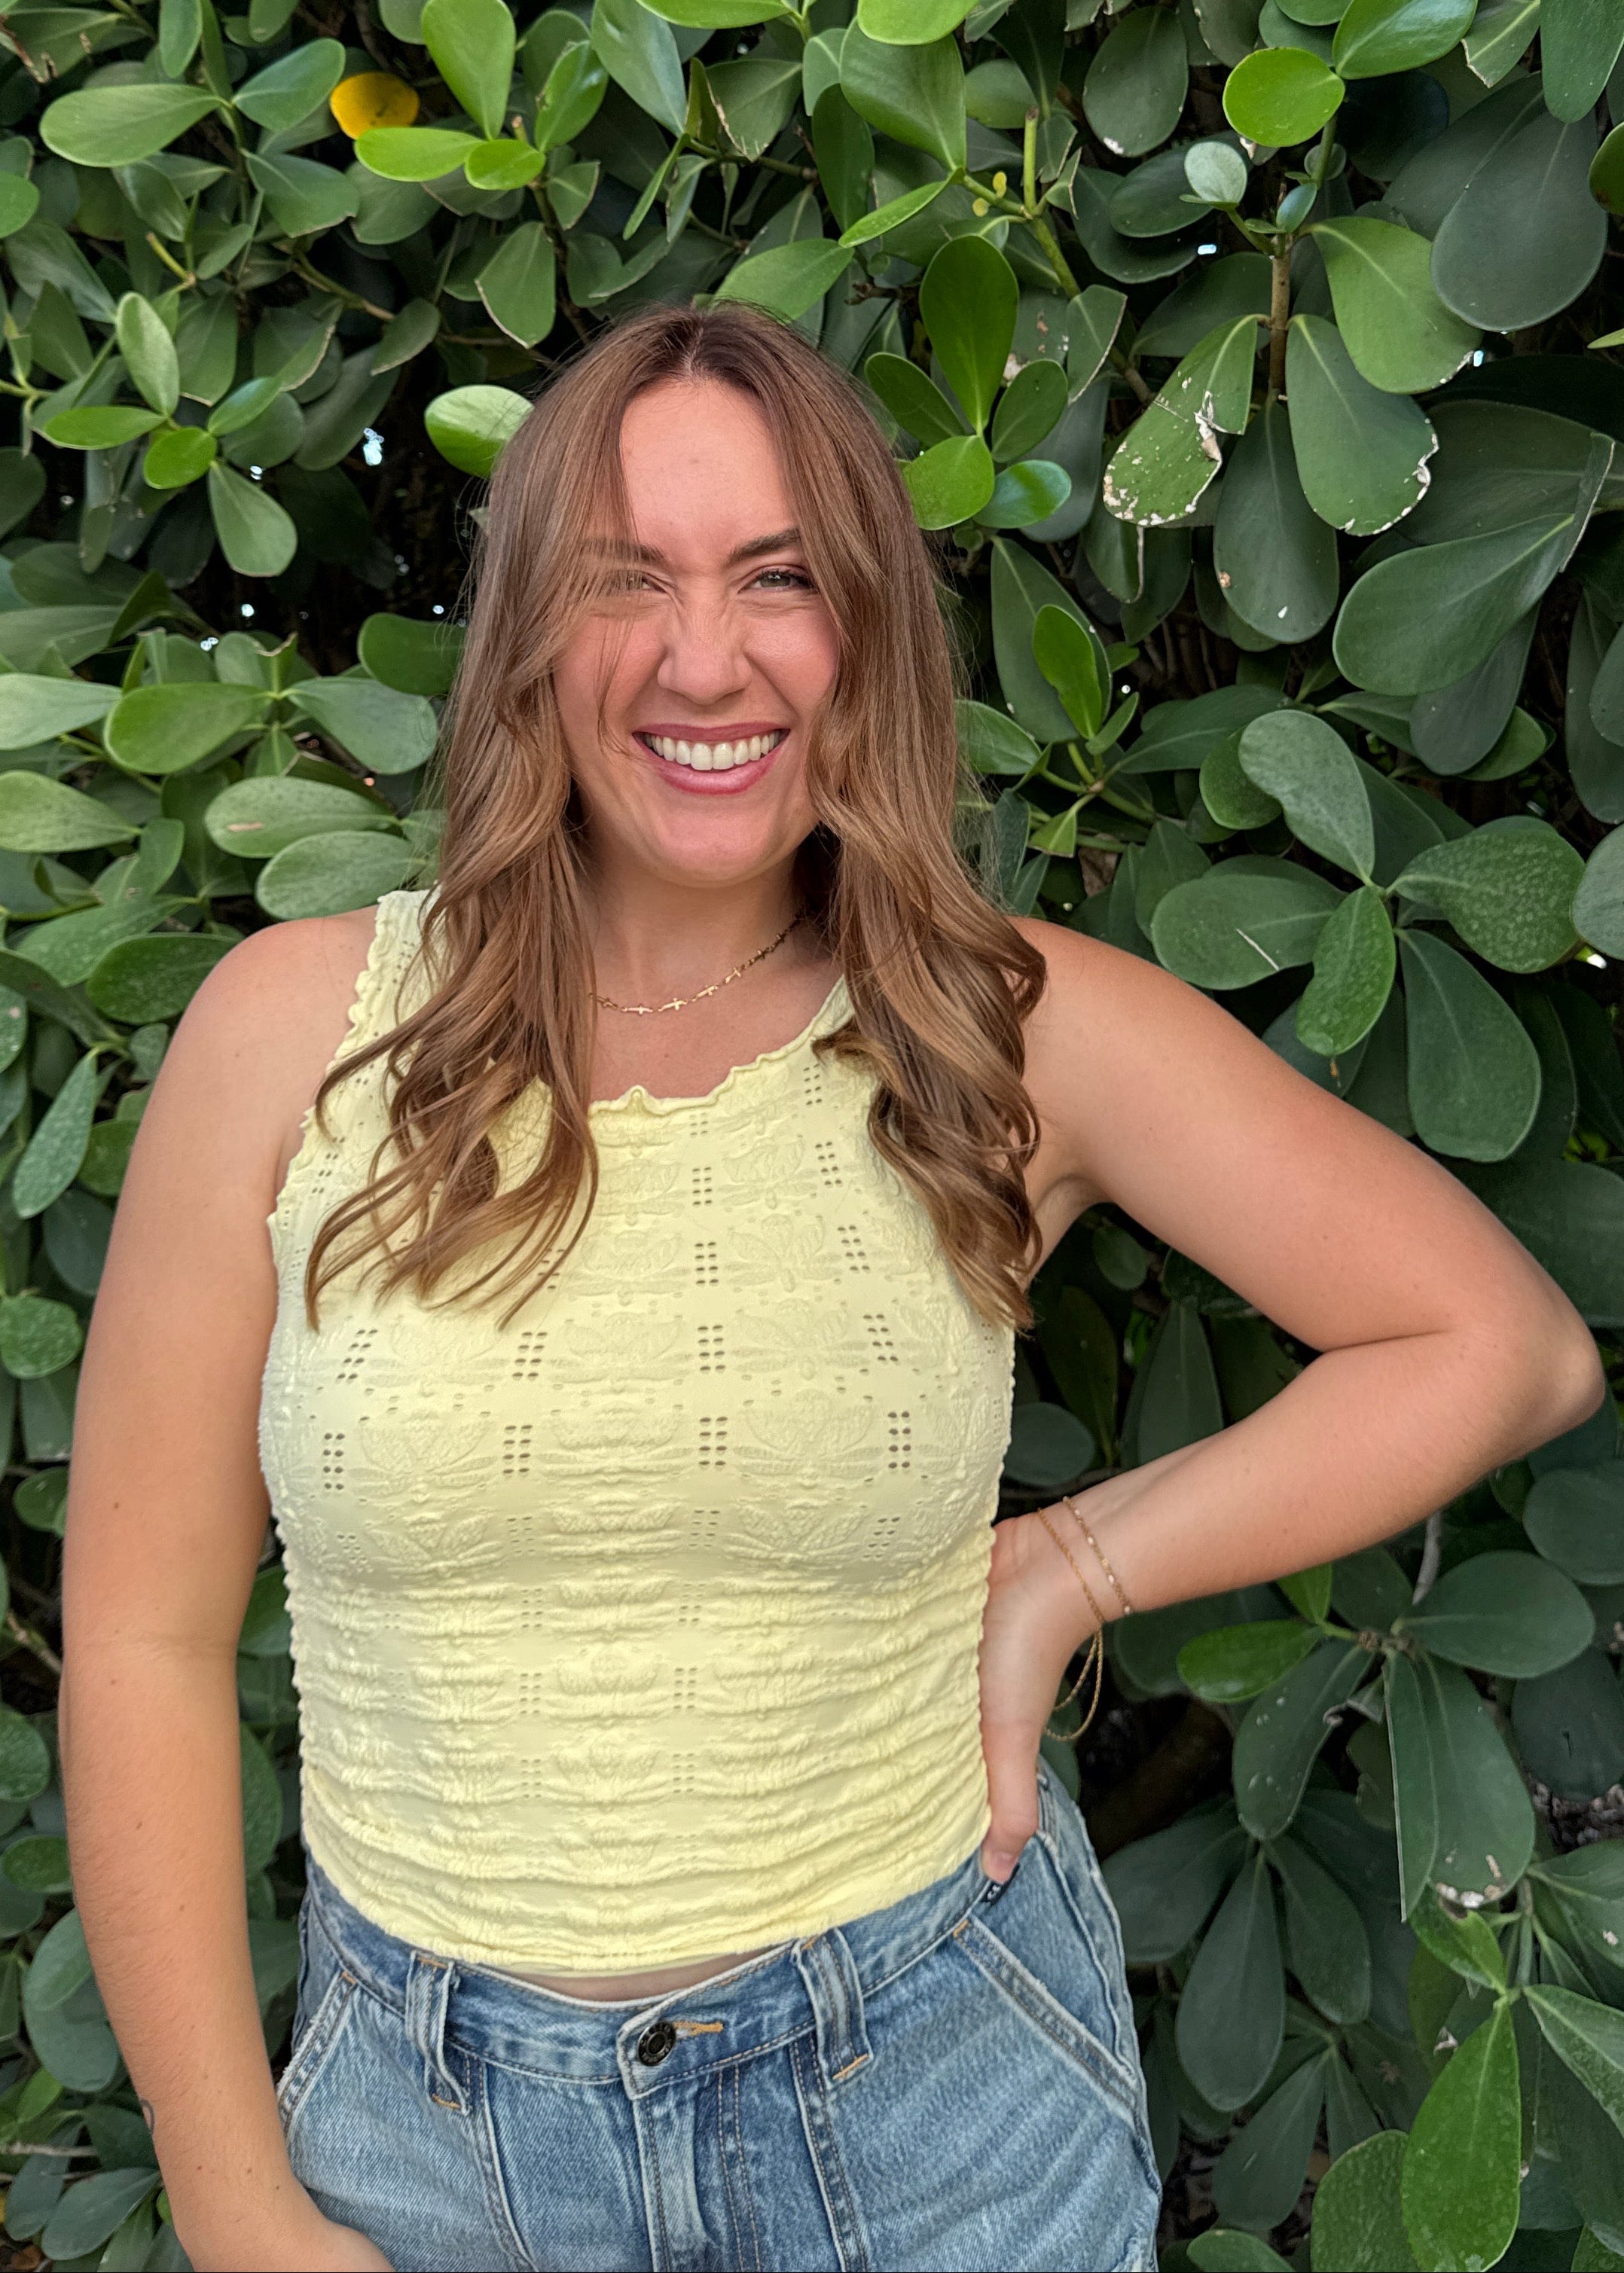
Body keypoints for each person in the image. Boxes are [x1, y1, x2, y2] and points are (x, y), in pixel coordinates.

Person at [59, 298, 1604, 2273]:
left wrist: (1069, 1568)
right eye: (627, 578)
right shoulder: (297, 1033)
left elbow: (1499, 1343)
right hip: (426, 2148)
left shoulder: (994, 1031)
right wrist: (227, 2192)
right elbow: (143, 1634)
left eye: (778, 579)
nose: (705, 657)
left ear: (866, 629)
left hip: (935, 2111)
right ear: (528, 630)